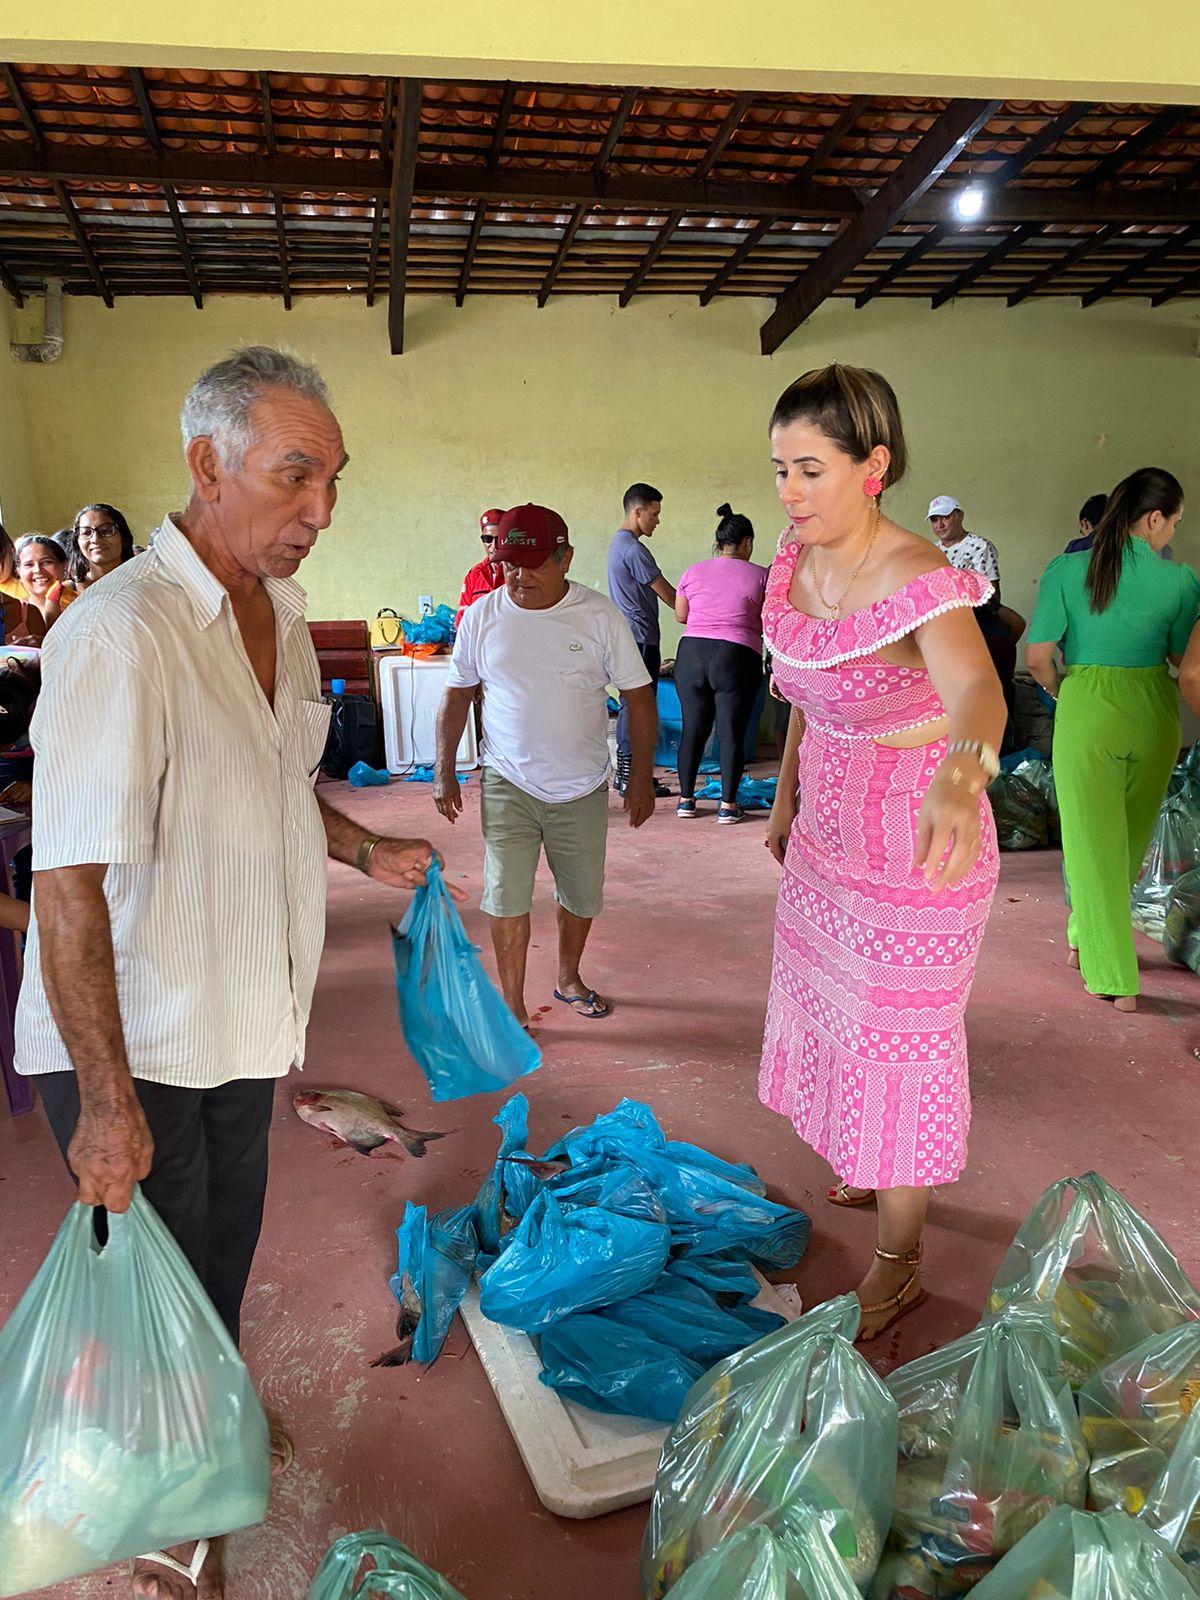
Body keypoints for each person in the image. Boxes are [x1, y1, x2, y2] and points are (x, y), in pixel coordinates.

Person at [14, 346, 455, 1600]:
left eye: (334, 479)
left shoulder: (280, 622)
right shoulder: (121, 635)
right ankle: (164, 1519)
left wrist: (365, 840)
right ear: (207, 465)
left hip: (242, 1020)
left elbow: (275, 780)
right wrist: (102, 1098)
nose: (320, 507)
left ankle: (199, 1433)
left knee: (216, 1258)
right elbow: (67, 881)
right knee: (154, 1271)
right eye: (294, 474)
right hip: (137, 1039)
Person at [760, 364, 1005, 1342]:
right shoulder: (796, 555)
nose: (789, 491)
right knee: (838, 1022)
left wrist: (962, 769)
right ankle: (869, 1158)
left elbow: (981, 694)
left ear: (875, 467)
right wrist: (786, 799)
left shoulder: (917, 579)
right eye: (779, 468)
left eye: (810, 469)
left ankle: (900, 1267)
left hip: (918, 847)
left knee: (898, 1055)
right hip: (830, 834)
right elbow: (806, 689)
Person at [435, 503, 657, 1027]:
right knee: (506, 893)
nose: (519, 576)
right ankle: (511, 1003)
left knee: (581, 894)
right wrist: (445, 768)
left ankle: (567, 976)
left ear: (565, 558)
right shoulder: (483, 616)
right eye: (510, 563)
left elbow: (639, 697)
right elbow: (457, 695)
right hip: (506, 780)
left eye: (534, 564)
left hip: (580, 784)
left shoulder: (599, 615)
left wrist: (640, 775)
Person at [1025, 467, 1198, 1014]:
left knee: (1089, 844)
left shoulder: (1066, 569)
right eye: (1173, 522)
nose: (1172, 533)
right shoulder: (1181, 581)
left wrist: (1061, 690)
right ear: (1153, 519)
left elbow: (1036, 657)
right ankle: (1086, 933)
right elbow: (1180, 659)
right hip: (1153, 711)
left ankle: (1113, 972)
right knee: (1124, 842)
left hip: (1086, 708)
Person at [673, 503, 767, 822]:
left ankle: (686, 801)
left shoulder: (692, 571)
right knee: (730, 733)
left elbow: (681, 616)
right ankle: (727, 806)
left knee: (693, 730)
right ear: (747, 543)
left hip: (691, 653)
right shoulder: (760, 575)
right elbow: (769, 620)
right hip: (736, 655)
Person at [607, 481, 674, 796]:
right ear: (638, 511)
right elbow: (669, 596)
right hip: (640, 638)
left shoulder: (617, 545)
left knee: (631, 705)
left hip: (630, 636)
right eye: (654, 514)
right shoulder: (634, 550)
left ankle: (627, 775)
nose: (657, 521)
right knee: (636, 707)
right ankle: (629, 776)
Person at [926, 495, 1002, 592]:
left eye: (946, 517)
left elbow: (992, 595)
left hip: (971, 607)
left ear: (960, 515)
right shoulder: (932, 551)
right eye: (934, 520)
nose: (939, 525)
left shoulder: (979, 546)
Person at [10, 534, 76, 642]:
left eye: (46, 562)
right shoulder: (15, 612)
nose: (37, 570)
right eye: (28, 565)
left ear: (65, 566)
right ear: (18, 572)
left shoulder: (79, 604)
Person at [66, 501, 137, 590]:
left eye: (106, 531)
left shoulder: (144, 585)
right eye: (86, 533)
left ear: (124, 538)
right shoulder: (64, 593)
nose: (95, 539)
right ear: (77, 541)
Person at [455, 508, 506, 627]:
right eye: (487, 539)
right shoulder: (474, 575)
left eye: (499, 539)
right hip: (480, 643)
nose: (493, 546)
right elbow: (462, 619)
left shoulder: (520, 572)